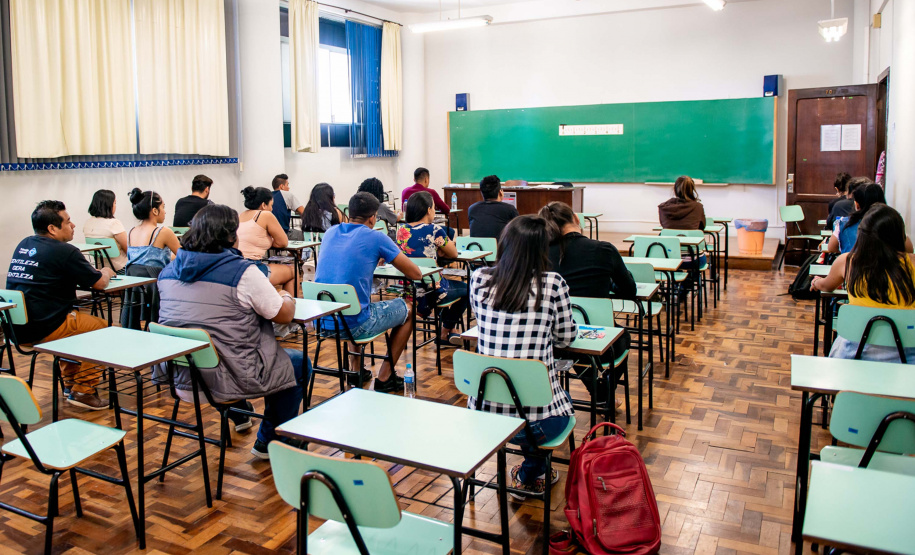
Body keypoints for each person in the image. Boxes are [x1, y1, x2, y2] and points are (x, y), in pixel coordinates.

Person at [157, 204, 311, 458]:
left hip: (180, 376)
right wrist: (285, 295)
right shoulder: (243, 273)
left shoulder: (166, 273)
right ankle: (270, 441)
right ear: (232, 236)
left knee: (221, 346)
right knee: (297, 363)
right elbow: (284, 315)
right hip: (227, 379)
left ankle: (241, 415)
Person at [468, 215, 577, 498]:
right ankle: (529, 473)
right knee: (545, 407)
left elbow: (483, 322)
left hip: (482, 416)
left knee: (522, 397)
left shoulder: (478, 278)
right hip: (539, 427)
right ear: (541, 250)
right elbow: (566, 338)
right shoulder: (552, 283)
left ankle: (530, 471)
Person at [6, 201, 115, 409]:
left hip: (15, 329)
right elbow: (99, 283)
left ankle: (70, 384)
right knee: (101, 328)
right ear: (52, 228)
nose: (73, 225)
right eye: (68, 221)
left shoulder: (24, 244)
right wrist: (107, 272)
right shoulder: (65, 252)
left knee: (74, 325)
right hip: (44, 327)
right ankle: (83, 390)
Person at [315, 192, 422, 393]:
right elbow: (415, 273)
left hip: (321, 320)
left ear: (349, 212)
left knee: (354, 301)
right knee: (408, 309)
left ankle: (356, 371)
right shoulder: (376, 237)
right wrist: (385, 255)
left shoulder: (331, 233)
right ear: (373, 217)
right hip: (355, 325)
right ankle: (385, 377)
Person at [540, 201, 635, 406]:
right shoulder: (604, 250)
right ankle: (605, 390)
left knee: (574, 344)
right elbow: (629, 290)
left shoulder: (541, 253)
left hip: (553, 338)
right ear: (576, 219)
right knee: (623, 337)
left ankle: (599, 393)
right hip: (598, 336)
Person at [812, 204, 915, 363]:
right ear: (900, 235)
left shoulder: (848, 262)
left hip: (855, 354)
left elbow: (827, 286)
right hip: (907, 356)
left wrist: (817, 282)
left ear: (863, 235)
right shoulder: (913, 264)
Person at [396, 192, 468, 346]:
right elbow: (454, 253)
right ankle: (445, 331)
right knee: (468, 290)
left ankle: (449, 328)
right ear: (429, 210)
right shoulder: (434, 229)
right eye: (434, 208)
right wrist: (440, 249)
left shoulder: (401, 231)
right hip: (434, 291)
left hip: (411, 292)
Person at [237, 186, 296, 296]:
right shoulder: (265, 215)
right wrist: (269, 241)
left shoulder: (241, 215)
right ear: (264, 205)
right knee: (293, 271)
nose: (272, 209)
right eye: (271, 205)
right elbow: (283, 242)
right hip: (252, 267)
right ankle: (293, 309)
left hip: (236, 266)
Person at [828, 182, 913, 254]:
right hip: (889, 272)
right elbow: (909, 250)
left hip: (854, 271)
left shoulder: (844, 224)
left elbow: (831, 248)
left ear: (857, 204)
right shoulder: (893, 223)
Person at [127, 189, 180, 268]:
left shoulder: (131, 232)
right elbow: (185, 257)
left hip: (134, 278)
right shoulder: (163, 232)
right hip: (157, 279)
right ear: (155, 211)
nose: (165, 212)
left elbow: (147, 258)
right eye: (163, 207)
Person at [83, 189, 128, 271]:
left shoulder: (88, 223)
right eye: (115, 203)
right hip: (120, 268)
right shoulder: (114, 223)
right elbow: (128, 249)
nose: (115, 206)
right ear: (109, 205)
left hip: (100, 269)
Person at [467, 174, 519, 240]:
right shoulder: (510, 209)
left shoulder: (472, 208)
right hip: (500, 249)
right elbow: (518, 234)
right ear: (500, 192)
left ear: (482, 193)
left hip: (478, 248)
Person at [271, 173, 305, 240]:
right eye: (287, 185)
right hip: (283, 234)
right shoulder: (286, 194)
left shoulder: (269, 196)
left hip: (270, 235)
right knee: (306, 235)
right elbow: (303, 212)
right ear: (282, 186)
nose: (289, 187)